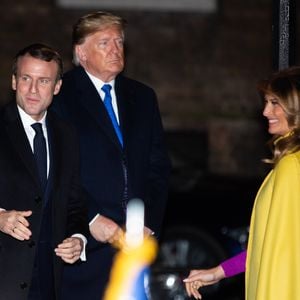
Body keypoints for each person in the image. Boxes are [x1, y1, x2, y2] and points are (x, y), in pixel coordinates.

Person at [50, 11, 171, 299]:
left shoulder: (142, 97)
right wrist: (91, 218)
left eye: (119, 42)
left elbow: (159, 167)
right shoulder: (61, 96)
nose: (116, 50)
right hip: (83, 245)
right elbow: (57, 168)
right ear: (81, 52)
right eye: (105, 43)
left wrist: (149, 222)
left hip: (134, 246)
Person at [183, 66, 300, 299]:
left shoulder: (291, 167)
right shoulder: (290, 162)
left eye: (275, 102)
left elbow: (283, 256)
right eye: (266, 102)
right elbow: (265, 246)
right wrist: (219, 272)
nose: (266, 111)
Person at [0, 43, 88, 300]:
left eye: (44, 81)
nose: (33, 90)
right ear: (14, 82)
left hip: (48, 283)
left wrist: (78, 239)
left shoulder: (67, 134)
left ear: (57, 87)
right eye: (26, 78)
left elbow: (74, 201)